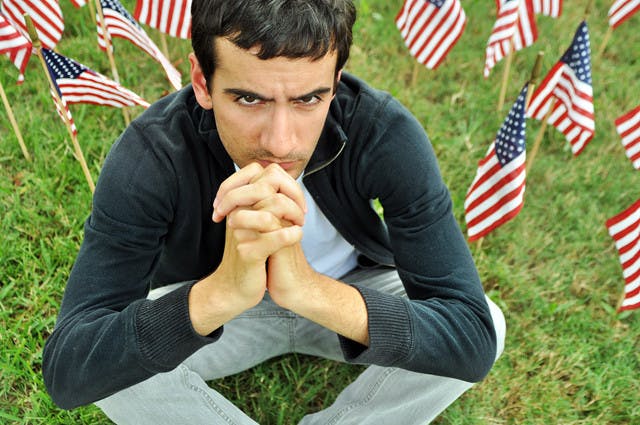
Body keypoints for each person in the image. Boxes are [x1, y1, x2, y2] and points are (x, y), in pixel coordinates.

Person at [42, 0, 506, 423]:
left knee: (488, 320)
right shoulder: (150, 155)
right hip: (221, 310)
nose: (280, 142)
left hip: (347, 296)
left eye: (308, 99)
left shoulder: (383, 131)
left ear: (336, 81)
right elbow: (68, 369)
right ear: (203, 82)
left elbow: (472, 337)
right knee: (111, 365)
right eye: (249, 98)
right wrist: (221, 293)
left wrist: (309, 290)